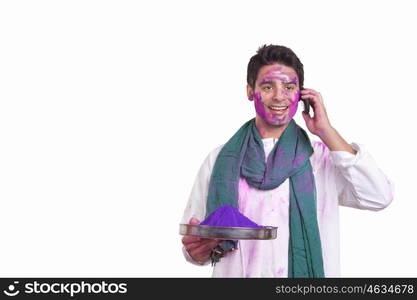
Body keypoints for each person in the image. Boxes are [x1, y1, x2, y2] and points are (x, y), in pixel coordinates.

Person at [180, 44, 394, 277]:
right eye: (268, 86)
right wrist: (198, 252)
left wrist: (326, 131)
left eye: (289, 87)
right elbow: (195, 240)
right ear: (251, 91)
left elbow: (379, 196)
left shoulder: (320, 158)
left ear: (300, 94)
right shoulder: (219, 160)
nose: (279, 96)